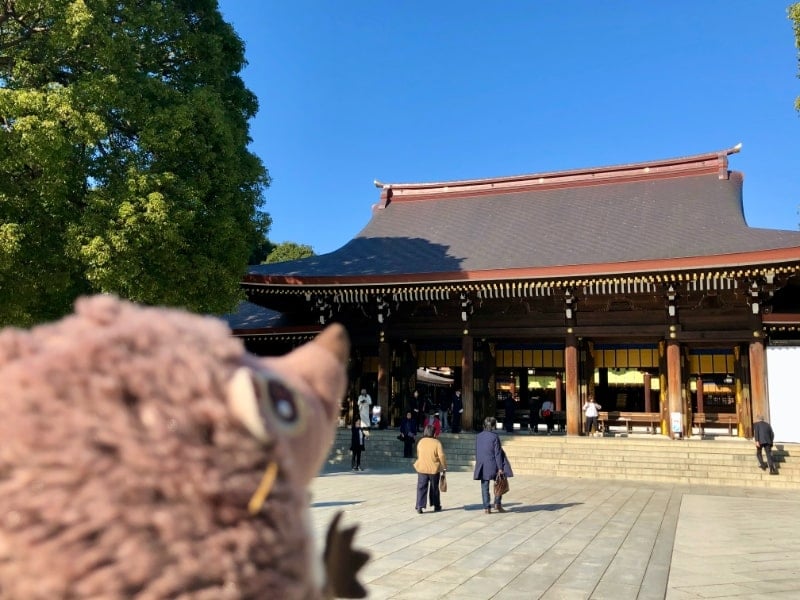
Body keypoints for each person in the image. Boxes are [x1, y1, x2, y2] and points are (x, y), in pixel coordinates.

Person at [473, 416, 514, 514]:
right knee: (499, 482)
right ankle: (497, 503)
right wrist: (500, 467)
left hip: (482, 463)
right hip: (493, 464)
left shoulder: (478, 436)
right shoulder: (494, 437)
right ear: (493, 426)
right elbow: (497, 453)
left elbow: (478, 450)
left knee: (484, 486)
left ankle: (487, 508)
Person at [413, 424, 447, 513]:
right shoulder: (437, 443)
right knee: (434, 488)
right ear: (434, 433)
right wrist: (444, 467)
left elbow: (418, 454)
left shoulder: (421, 442)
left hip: (422, 468)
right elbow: (441, 456)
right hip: (433, 469)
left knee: (421, 487)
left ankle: (419, 506)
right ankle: (436, 505)